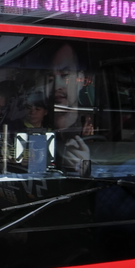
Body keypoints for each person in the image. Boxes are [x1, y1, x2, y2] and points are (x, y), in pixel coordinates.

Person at [49, 43, 94, 175]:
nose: (57, 86)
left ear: (80, 80)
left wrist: (85, 168)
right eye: (51, 78)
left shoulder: (95, 125)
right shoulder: (33, 121)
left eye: (65, 75)